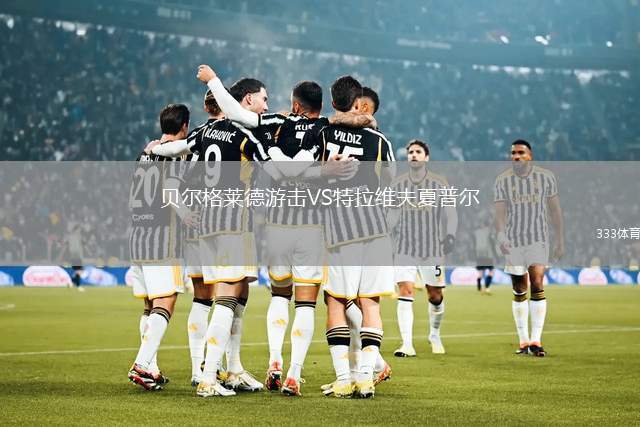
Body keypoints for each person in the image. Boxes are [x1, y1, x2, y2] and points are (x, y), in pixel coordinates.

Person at [200, 64, 370, 396]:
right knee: (305, 304)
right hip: (312, 226)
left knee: (279, 296)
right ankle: (294, 374)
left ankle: (274, 362)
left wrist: (214, 82)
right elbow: (351, 128)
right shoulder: (326, 129)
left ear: (294, 104)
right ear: (320, 106)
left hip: (276, 224)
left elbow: (233, 111)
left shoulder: (274, 122)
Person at [301, 75, 395, 398]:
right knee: (370, 304)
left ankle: (344, 378)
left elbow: (298, 173)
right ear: (359, 103)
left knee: (336, 301)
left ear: (333, 102)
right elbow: (391, 188)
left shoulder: (321, 134)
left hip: (340, 231)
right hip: (376, 230)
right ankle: (365, 377)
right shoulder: (379, 141)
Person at [127, 104, 195, 390]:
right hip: (162, 237)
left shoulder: (145, 153)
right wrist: (187, 216)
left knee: (149, 305)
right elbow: (170, 191)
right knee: (165, 302)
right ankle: (142, 364)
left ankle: (151, 367)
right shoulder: (177, 153)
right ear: (184, 126)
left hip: (137, 235)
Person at [494, 139, 564, 357]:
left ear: (530, 155)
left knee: (537, 282)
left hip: (538, 239)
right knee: (519, 288)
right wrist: (501, 235)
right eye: (513, 153)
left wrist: (560, 239)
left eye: (521, 153)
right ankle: (523, 340)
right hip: (513, 241)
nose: (516, 156)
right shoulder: (502, 180)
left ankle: (536, 340)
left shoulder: (545, 177)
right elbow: (499, 213)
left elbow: (555, 210)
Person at [390, 140, 457, 357]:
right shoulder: (398, 184)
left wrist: (450, 235)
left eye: (418, 152)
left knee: (435, 295)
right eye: (410, 152)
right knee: (405, 290)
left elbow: (450, 212)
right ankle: (407, 344)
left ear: (426, 157)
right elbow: (392, 214)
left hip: (432, 248)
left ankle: (434, 334)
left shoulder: (439, 183)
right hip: (404, 247)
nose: (413, 155)